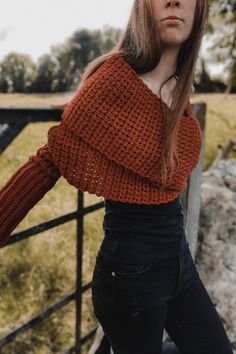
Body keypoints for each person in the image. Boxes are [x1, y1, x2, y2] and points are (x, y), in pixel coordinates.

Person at [0, 0, 234, 353]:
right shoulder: (112, 79)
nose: (174, 1)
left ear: (199, 9)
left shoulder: (180, 90)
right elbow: (50, 159)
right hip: (129, 276)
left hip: (178, 263)